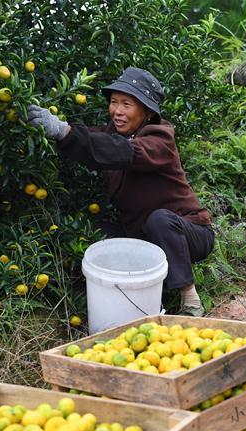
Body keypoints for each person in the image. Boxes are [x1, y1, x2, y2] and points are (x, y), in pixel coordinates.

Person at [27, 67, 213, 317]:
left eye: (127, 104)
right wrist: (58, 129)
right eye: (114, 102)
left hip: (190, 232)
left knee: (160, 219)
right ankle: (122, 300)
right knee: (99, 232)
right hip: (143, 235)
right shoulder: (112, 134)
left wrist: (65, 131)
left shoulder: (160, 138)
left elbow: (124, 151)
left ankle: (190, 300)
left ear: (147, 112)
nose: (118, 111)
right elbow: (91, 141)